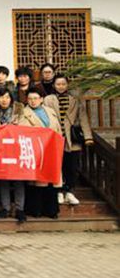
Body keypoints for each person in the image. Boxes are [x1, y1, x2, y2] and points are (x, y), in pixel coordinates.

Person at [44, 74, 94, 206]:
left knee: (71, 166)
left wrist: (88, 137)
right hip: (55, 137)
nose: (61, 86)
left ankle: (70, 191)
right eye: (58, 84)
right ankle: (59, 191)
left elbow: (83, 118)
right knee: (57, 165)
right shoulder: (48, 99)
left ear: (67, 85)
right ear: (54, 85)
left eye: (63, 84)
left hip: (72, 138)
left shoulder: (75, 100)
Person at [18, 88, 62, 219]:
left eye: (36, 98)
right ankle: (36, 209)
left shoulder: (50, 111)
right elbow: (23, 132)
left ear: (41, 99)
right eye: (30, 98)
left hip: (52, 149)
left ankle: (52, 210)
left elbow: (58, 129)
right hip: (36, 151)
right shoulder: (24, 113)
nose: (33, 101)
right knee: (38, 181)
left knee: (52, 180)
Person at [0, 89, 27, 223]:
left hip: (16, 148)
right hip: (1, 149)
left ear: (11, 98)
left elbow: (25, 126)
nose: (4, 100)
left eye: (7, 97)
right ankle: (5, 207)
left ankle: (19, 208)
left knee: (19, 179)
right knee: (3, 178)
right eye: (1, 97)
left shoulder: (19, 110)